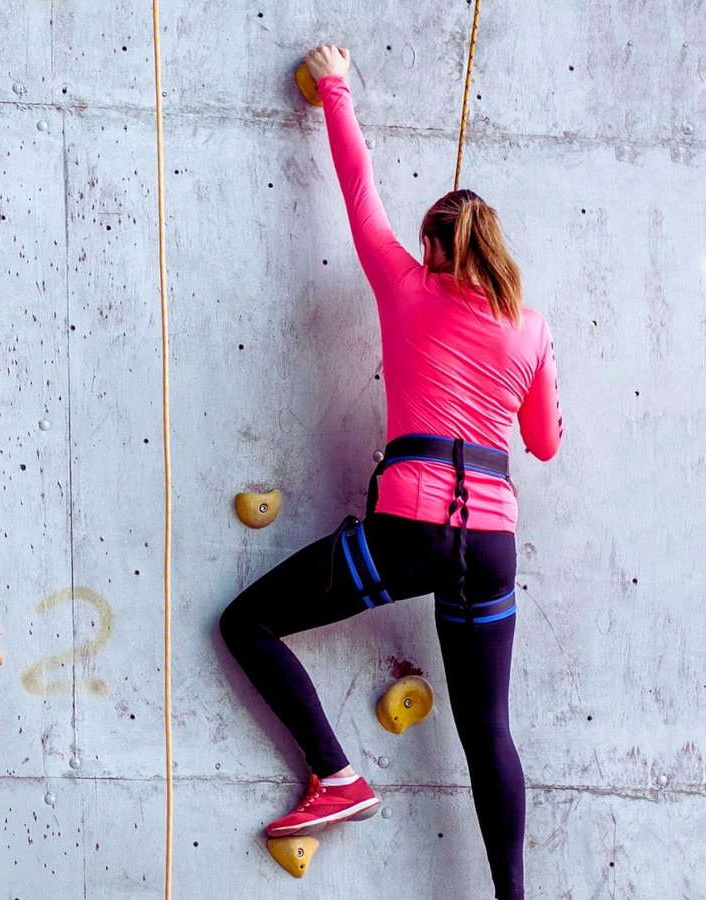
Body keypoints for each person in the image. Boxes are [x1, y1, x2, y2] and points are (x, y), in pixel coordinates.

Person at [217, 44, 561, 900]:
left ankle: (337, 776)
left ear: (433, 247)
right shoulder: (533, 328)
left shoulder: (407, 287)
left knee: (250, 623)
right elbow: (546, 444)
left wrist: (334, 82)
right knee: (489, 731)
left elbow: (357, 184)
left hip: (408, 531)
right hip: (490, 547)